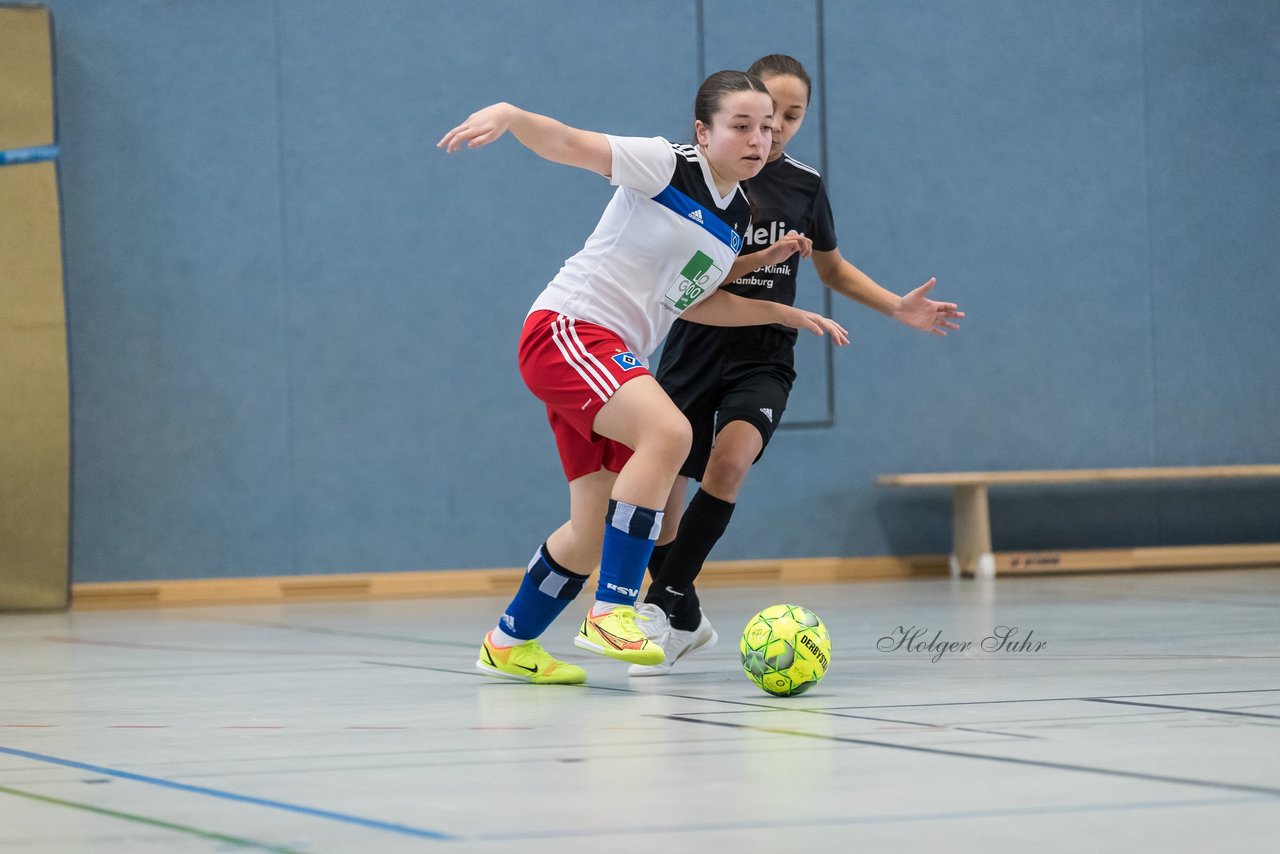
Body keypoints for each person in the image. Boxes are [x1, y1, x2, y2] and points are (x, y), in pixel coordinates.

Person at [438, 70, 849, 684]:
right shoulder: (665, 164)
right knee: (672, 432)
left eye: (767, 127)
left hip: (610, 354)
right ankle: (613, 610)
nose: (758, 139)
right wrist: (511, 113)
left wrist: (780, 308)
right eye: (741, 126)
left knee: (590, 530)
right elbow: (570, 143)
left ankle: (508, 642)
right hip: (569, 330)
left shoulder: (734, 215)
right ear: (702, 132)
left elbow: (691, 300)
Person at [632, 54, 964, 676]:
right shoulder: (694, 176)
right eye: (765, 114)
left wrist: (898, 307)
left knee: (730, 461)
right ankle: (685, 616)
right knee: (659, 498)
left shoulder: (804, 185)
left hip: (764, 355)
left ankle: (661, 604)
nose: (776, 128)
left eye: (792, 115)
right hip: (694, 345)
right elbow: (681, 280)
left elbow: (831, 269)